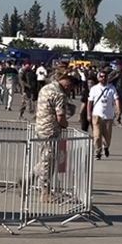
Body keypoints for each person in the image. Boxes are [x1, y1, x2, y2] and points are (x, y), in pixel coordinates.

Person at [33, 71, 74, 202]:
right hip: (51, 130)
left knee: (44, 157)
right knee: (48, 162)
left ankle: (28, 179)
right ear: (67, 83)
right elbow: (61, 116)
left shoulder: (46, 88)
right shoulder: (59, 94)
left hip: (40, 127)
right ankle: (45, 192)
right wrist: (65, 124)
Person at [87, 70, 120, 160]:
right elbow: (90, 102)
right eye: (101, 76)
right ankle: (98, 152)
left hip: (108, 116)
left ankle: (106, 147)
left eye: (105, 76)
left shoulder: (112, 88)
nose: (103, 78)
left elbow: (116, 99)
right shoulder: (94, 88)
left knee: (107, 137)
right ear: (98, 78)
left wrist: (118, 109)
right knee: (97, 136)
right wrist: (89, 114)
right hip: (97, 115)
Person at [107, 63, 122, 128]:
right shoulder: (114, 73)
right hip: (116, 91)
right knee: (118, 107)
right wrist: (115, 77)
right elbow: (108, 80)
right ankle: (118, 120)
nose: (121, 67)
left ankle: (113, 117)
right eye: (119, 65)